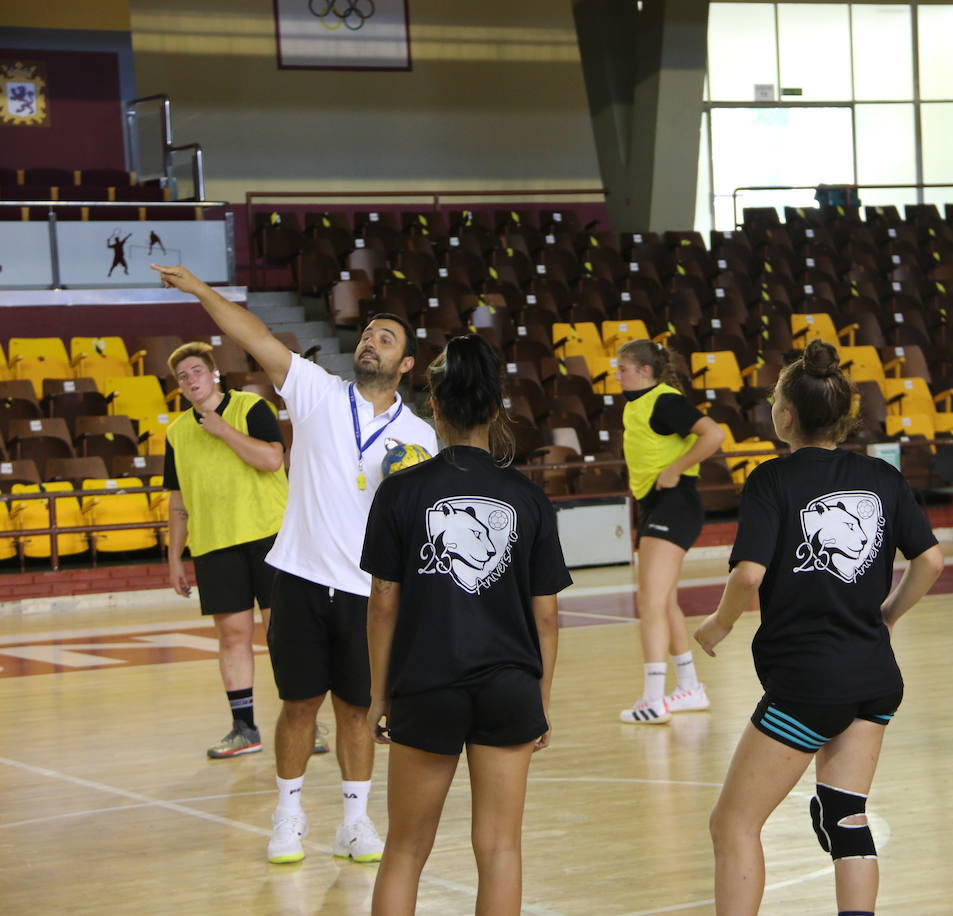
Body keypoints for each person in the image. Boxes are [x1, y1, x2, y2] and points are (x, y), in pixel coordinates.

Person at [152, 264, 437, 864]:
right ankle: (288, 815)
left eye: (386, 339)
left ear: (406, 365)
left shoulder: (419, 437)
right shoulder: (316, 391)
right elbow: (254, 335)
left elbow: (421, 526)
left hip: (368, 592)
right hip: (300, 579)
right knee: (299, 705)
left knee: (358, 712)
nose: (370, 342)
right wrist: (204, 291)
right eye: (367, 335)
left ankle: (355, 823)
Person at [694, 340, 945, 916]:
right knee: (844, 817)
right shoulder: (881, 475)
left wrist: (718, 624)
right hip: (875, 675)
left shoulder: (770, 481)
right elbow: (930, 562)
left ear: (783, 416)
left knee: (733, 823)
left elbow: (749, 573)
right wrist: (887, 615)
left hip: (809, 684)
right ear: (845, 416)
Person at [362, 335, 568, 915]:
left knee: (405, 848)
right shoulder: (527, 497)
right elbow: (547, 616)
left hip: (427, 683)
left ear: (437, 407)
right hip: (509, 687)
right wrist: (540, 700)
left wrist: (380, 696)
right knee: (500, 848)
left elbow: (382, 603)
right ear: (495, 409)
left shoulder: (400, 492)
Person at [164, 342, 288, 759]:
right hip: (214, 543)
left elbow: (273, 460)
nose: (190, 380)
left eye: (196, 371)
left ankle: (304, 720)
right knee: (232, 636)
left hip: (269, 535)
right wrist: (174, 557)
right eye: (182, 376)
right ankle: (243, 728)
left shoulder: (251, 408)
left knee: (282, 634)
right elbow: (177, 499)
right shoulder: (177, 432)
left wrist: (222, 430)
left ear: (214, 373)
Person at [614, 339, 726, 724]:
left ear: (644, 371)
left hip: (675, 503)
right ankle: (690, 687)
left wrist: (676, 467)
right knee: (663, 601)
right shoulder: (639, 405)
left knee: (650, 601)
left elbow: (714, 435)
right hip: (657, 505)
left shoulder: (665, 400)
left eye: (623, 368)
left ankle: (652, 697)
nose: (617, 375)